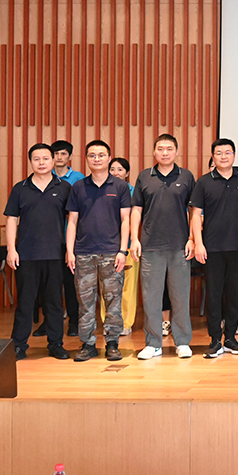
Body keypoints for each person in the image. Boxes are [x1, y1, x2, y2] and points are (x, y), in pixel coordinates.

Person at [131, 134, 196, 360]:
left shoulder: (186, 176)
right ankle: (153, 343)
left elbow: (194, 211)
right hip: (151, 246)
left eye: (169, 148)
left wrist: (192, 238)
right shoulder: (144, 176)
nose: (165, 153)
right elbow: (136, 209)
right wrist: (134, 238)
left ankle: (182, 342)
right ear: (154, 152)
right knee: (151, 298)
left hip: (180, 246)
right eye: (160, 148)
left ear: (176, 152)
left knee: (180, 297)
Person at [190, 138, 238, 359]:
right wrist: (198, 243)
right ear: (213, 156)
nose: (223, 156)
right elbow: (195, 215)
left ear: (234, 156)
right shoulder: (203, 182)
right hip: (212, 248)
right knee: (214, 294)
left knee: (235, 294)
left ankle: (230, 338)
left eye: (228, 152)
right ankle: (214, 340)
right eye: (219, 153)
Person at [4, 143, 72, 360]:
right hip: (27, 255)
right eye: (36, 159)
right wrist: (11, 249)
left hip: (56, 254)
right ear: (30, 162)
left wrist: (70, 250)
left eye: (45, 158)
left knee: (54, 302)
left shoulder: (64, 187)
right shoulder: (20, 188)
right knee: (25, 302)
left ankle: (55, 344)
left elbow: (73, 220)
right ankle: (18, 345)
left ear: (53, 161)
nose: (41, 163)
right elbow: (11, 219)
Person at [65, 140, 131, 362]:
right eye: (92, 155)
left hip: (112, 253)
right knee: (85, 303)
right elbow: (72, 221)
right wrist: (70, 251)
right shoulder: (78, 187)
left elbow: (125, 220)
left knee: (113, 301)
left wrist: (123, 250)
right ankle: (87, 344)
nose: (96, 159)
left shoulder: (120, 186)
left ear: (109, 158)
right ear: (86, 159)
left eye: (101, 155)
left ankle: (112, 343)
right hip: (83, 253)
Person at [31, 139, 85, 339]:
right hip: (48, 241)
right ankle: (49, 322)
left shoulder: (79, 179)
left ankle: (74, 321)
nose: (59, 157)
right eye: (56, 154)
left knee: (71, 283)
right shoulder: (44, 176)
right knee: (48, 285)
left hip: (71, 241)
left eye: (63, 154)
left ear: (70, 157)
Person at [107, 157, 138, 337]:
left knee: (127, 288)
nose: (116, 173)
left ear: (127, 173)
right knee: (107, 287)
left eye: (120, 169)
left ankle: (126, 322)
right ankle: (109, 322)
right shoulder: (103, 190)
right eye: (112, 169)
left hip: (128, 246)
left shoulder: (134, 192)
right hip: (106, 246)